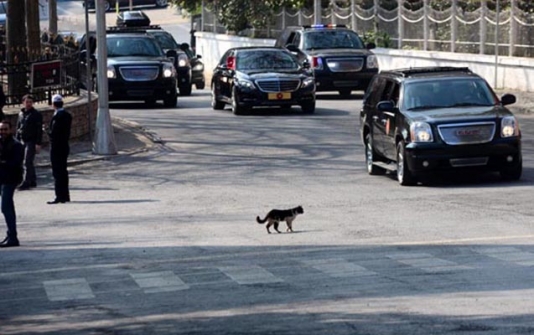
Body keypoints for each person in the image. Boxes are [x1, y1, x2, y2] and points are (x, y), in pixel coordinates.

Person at [0, 121, 25, 248]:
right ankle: (11, 235)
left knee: (5, 207)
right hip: (2, 179)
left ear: (10, 130)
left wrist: (3, 162)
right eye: (1, 129)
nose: (3, 132)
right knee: (8, 207)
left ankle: (13, 237)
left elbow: (15, 162)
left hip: (10, 179)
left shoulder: (16, 145)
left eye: (5, 129)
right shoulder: (1, 143)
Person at [46, 94, 72, 205]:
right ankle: (65, 195)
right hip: (65, 146)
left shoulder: (57, 117)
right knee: (63, 171)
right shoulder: (67, 115)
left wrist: (46, 131)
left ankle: (59, 196)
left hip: (57, 147)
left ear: (53, 104)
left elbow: (54, 134)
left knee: (57, 172)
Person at [16, 94, 43, 190]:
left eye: (30, 102)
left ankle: (26, 181)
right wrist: (16, 141)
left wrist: (38, 143)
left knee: (26, 161)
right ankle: (32, 180)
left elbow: (39, 130)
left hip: (31, 141)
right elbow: (18, 128)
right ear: (23, 102)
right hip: (22, 140)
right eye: (27, 102)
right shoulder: (21, 114)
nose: (28, 104)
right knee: (28, 162)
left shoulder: (36, 114)